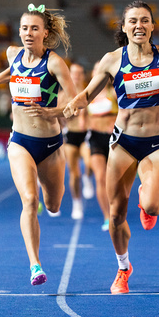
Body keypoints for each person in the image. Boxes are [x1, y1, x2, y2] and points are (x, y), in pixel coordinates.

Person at [64, 0, 159, 294]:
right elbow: (90, 92)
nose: (139, 25)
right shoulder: (112, 60)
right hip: (123, 143)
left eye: (144, 20)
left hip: (156, 142)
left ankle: (144, 193)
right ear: (124, 27)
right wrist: (76, 102)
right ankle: (123, 268)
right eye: (133, 21)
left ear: (153, 26)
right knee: (116, 215)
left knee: (152, 208)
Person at [0, 3, 77, 286]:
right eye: (24, 28)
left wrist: (51, 112)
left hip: (50, 145)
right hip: (20, 140)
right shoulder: (14, 53)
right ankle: (35, 265)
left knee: (53, 203)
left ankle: (51, 203)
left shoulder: (54, 63)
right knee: (29, 200)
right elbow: (11, 71)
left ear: (45, 33)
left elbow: (75, 103)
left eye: (34, 28)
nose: (27, 33)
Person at [59, 62, 94, 220]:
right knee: (74, 174)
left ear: (83, 75)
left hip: (86, 133)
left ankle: (88, 178)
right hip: (70, 135)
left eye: (79, 73)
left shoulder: (90, 92)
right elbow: (57, 115)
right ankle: (77, 202)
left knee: (90, 163)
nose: (76, 76)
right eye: (73, 73)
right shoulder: (63, 94)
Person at [86, 61, 118, 231]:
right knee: (100, 177)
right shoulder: (87, 96)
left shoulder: (114, 93)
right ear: (92, 74)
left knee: (114, 180)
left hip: (114, 139)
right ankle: (107, 217)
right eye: (96, 69)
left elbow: (127, 112)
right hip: (95, 138)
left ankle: (116, 211)